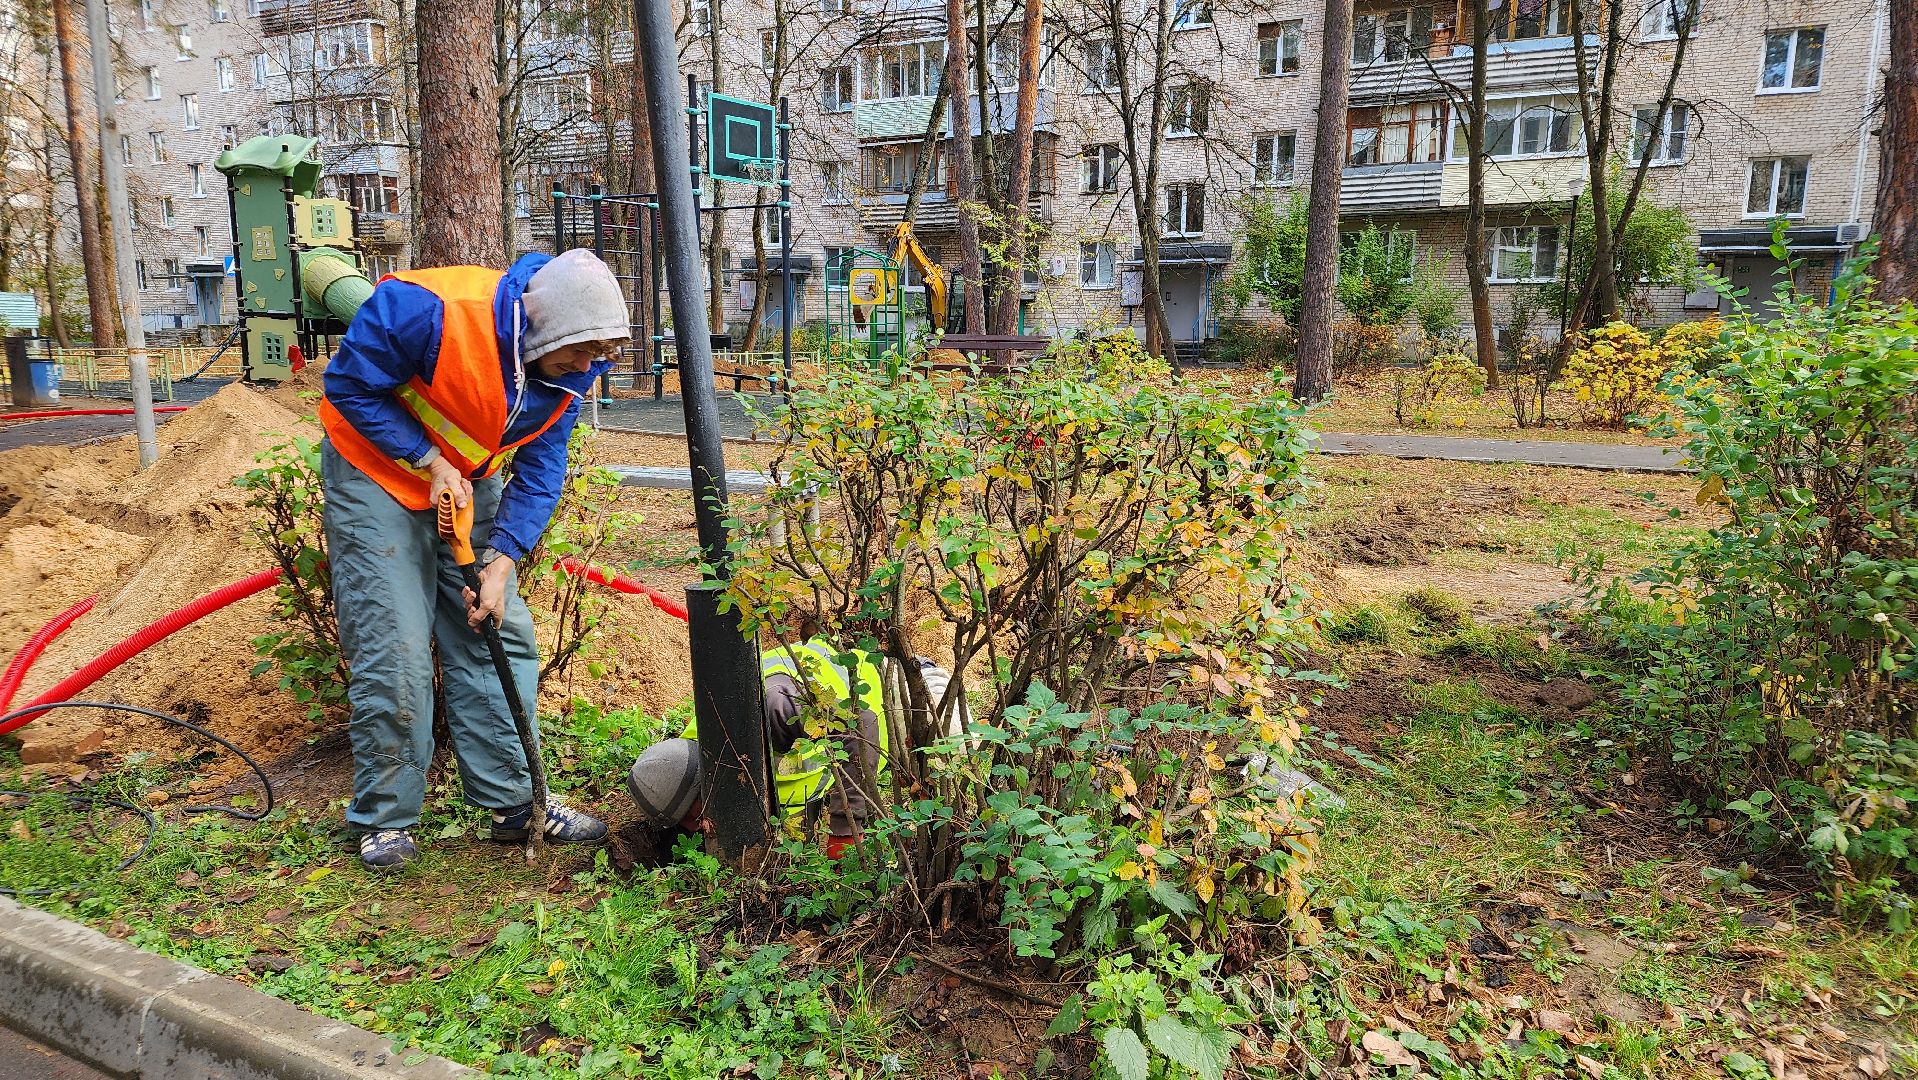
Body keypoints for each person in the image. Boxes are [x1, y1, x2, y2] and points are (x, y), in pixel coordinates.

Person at [320, 249, 629, 870]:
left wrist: (503, 558)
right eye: (580, 351)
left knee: (496, 629)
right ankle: (384, 817)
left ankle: (517, 802)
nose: (586, 366)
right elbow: (349, 385)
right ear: (545, 325)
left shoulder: (571, 369)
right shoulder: (429, 310)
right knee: (395, 642)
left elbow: (541, 469)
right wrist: (426, 459)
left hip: (462, 480)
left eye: (598, 354)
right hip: (374, 471)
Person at [628, 639, 968, 859]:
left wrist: (846, 829)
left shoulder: (761, 712)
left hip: (901, 694)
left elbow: (854, 722)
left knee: (959, 751)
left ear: (709, 779)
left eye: (694, 815)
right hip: (861, 736)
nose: (697, 828)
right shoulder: (698, 757)